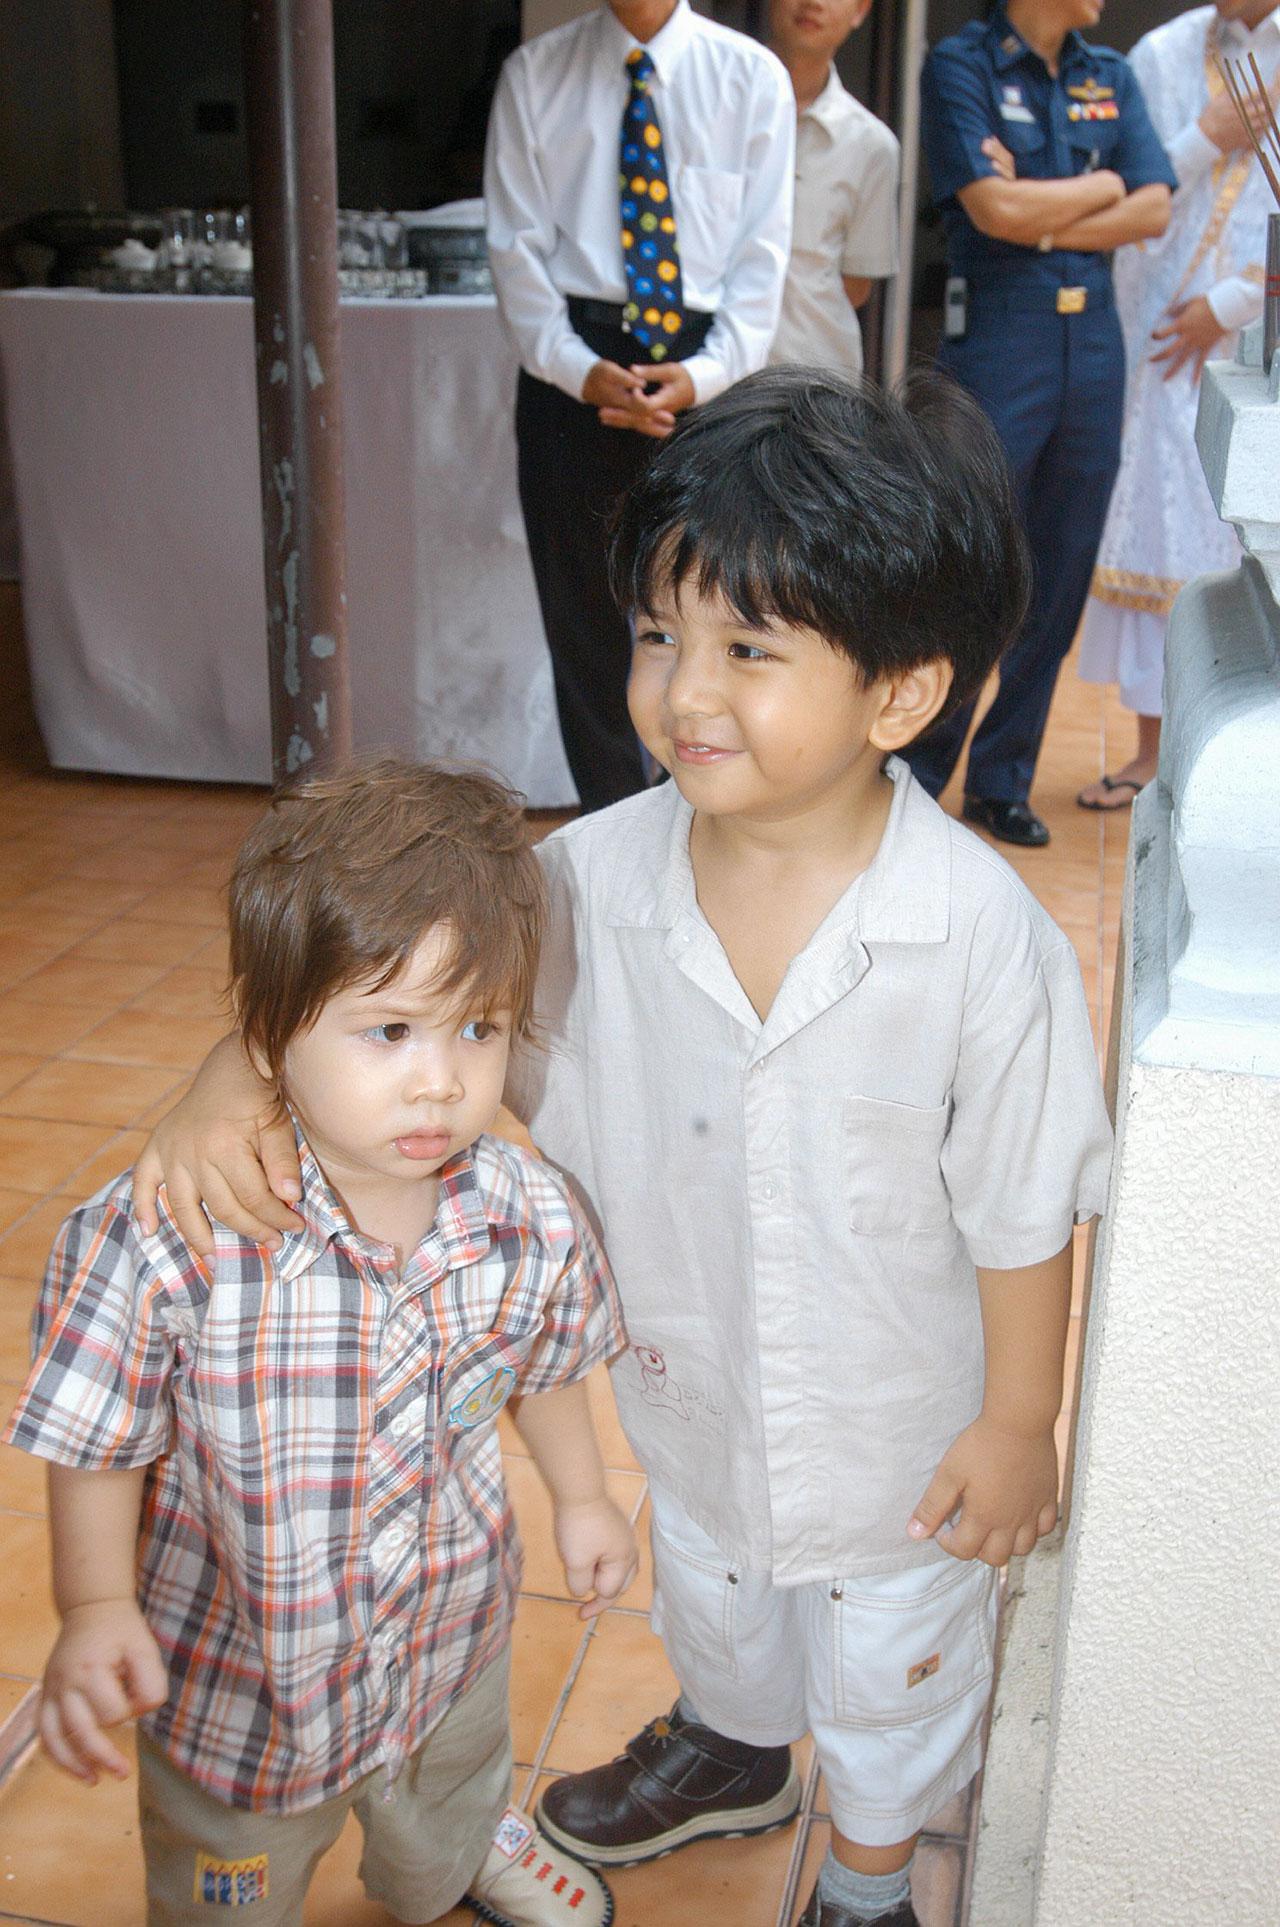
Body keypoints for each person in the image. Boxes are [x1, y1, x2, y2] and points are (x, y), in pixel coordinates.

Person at [132, 370, 1113, 1927]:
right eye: (661, 634)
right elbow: (384, 986)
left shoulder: (983, 943)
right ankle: (735, 1745)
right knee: (717, 1600)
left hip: (901, 1445)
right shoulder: (571, 888)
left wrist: (1016, 1420)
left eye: (748, 649)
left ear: (900, 695)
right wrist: (227, 1078)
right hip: (686, 1391)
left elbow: (1022, 1207)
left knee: (892, 1682)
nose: (681, 691)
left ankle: (867, 1876)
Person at [3, 760, 635, 1927]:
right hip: (243, 1682)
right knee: (230, 1884)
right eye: (388, 1030)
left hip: (446, 1640)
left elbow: (543, 1364)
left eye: (479, 1027)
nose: (439, 1080)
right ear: (268, 1033)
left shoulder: (528, 1214)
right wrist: (93, 1607)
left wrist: (585, 1496)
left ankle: (452, 1858)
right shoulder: (166, 1239)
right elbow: (97, 1441)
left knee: (446, 1791)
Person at [484, 0, 794, 813]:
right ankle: (613, 815)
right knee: (582, 616)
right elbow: (515, 251)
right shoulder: (535, 74)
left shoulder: (750, 76)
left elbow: (763, 257)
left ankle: (700, 806)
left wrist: (705, 374)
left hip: (708, 371)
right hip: (573, 370)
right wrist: (580, 369)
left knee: (715, 601)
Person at [908, 0, 1176, 848]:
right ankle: (914, 776)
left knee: (1058, 572)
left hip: (1092, 343)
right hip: (1000, 335)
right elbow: (993, 213)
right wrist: (1102, 186)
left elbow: (1154, 208)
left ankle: (1002, 779)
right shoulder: (962, 66)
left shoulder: (1109, 74)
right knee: (969, 559)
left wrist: (1040, 205)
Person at [1075, 0, 1280, 811]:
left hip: (1254, 325)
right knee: (1160, 529)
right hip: (1154, 327)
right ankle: (1153, 749)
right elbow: (1125, 187)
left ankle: (1239, 761)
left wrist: (1228, 307)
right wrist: (1207, 135)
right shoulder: (1161, 53)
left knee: (1244, 532)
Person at [767, 0, 901, 380]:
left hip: (814, 382)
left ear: (860, 10)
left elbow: (855, 286)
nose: (814, 3)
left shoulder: (872, 145)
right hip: (707, 379)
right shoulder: (712, 104)